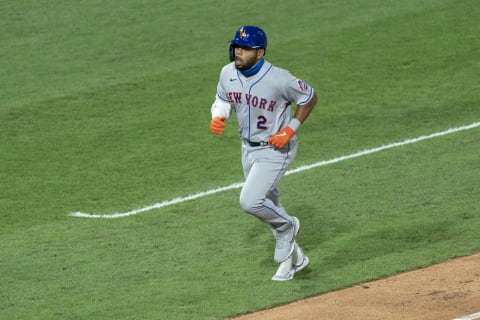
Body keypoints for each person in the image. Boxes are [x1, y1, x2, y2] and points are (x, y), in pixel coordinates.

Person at [209, 26, 317, 281]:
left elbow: (309, 97)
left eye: (244, 48)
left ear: (260, 53)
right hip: (247, 148)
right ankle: (295, 260)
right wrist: (219, 115)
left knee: (250, 201)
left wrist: (289, 130)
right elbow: (223, 98)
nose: (238, 52)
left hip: (275, 149)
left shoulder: (279, 78)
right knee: (269, 204)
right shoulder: (227, 73)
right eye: (236, 46)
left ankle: (288, 225)